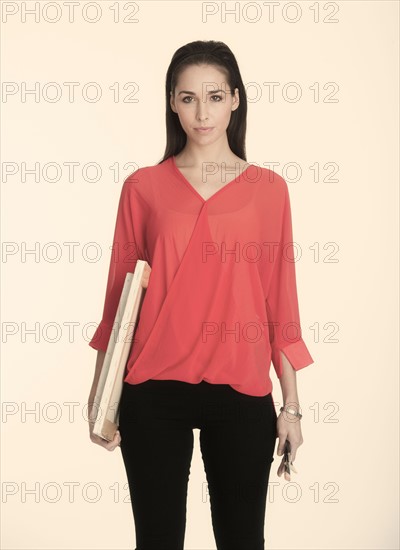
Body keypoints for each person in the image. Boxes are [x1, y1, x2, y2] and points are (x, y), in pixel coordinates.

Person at [87, 40, 314, 550]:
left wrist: (292, 407)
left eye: (214, 96)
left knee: (241, 540)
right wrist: (100, 392)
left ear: (236, 99)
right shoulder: (142, 188)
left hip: (241, 391)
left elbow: (281, 300)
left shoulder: (269, 189)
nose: (202, 111)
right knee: (158, 540)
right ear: (171, 102)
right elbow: (117, 301)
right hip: (152, 390)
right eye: (187, 98)